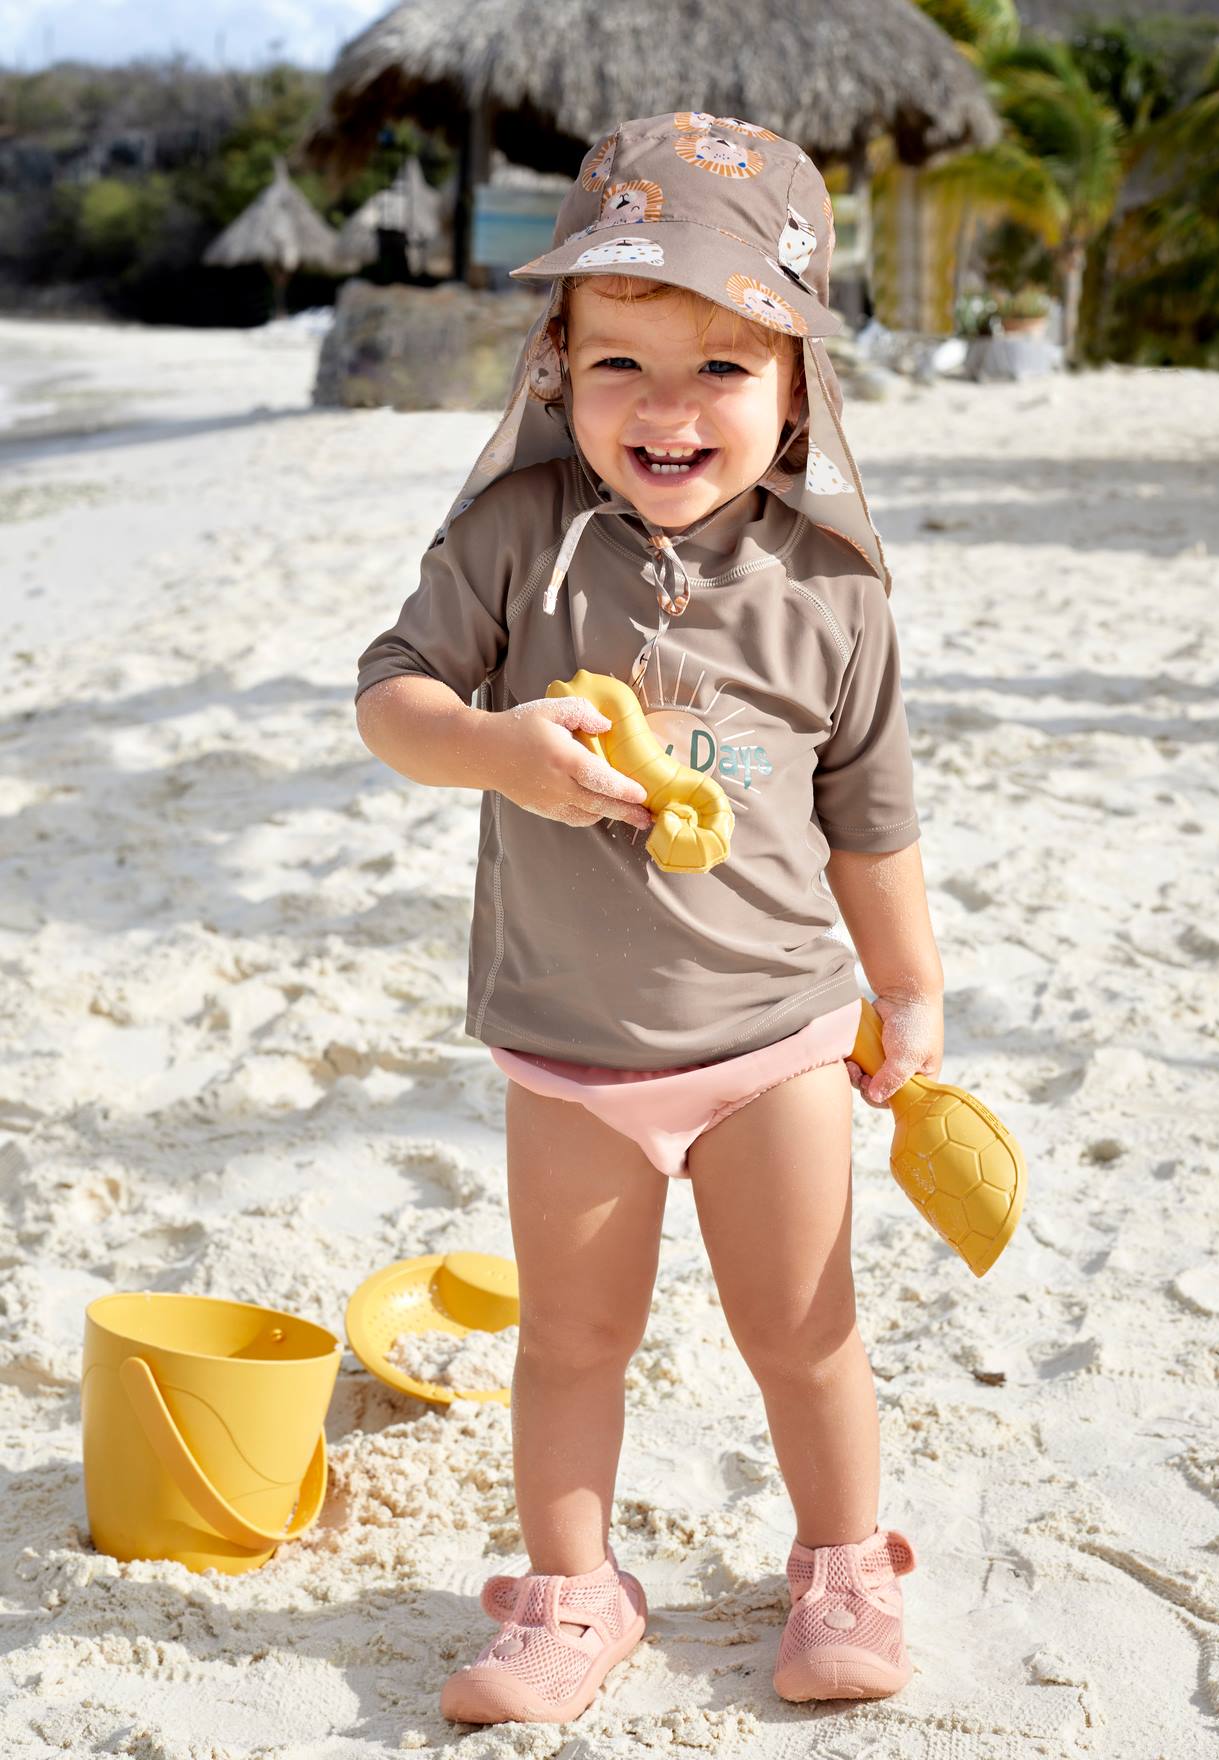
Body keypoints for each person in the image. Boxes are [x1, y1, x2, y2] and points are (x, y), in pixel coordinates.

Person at [354, 112, 944, 1725]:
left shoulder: (834, 591)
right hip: (570, 1051)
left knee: (805, 1327)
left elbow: (869, 820)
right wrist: (491, 751)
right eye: (620, 365)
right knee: (571, 1341)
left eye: (722, 370)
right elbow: (390, 702)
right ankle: (571, 1593)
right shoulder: (516, 542)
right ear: (557, 365)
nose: (667, 411)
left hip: (775, 1040)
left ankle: (840, 1565)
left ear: (797, 389)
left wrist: (913, 993)